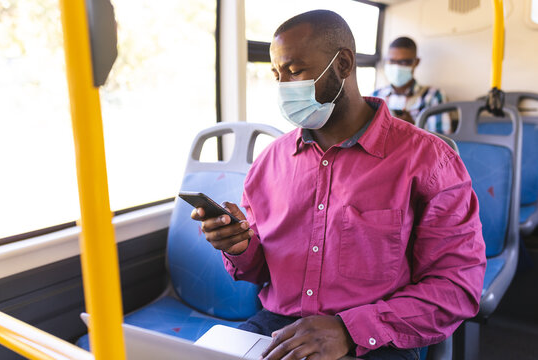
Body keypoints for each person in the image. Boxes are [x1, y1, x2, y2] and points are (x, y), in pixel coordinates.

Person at [192, 10, 485, 360]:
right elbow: (260, 270)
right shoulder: (270, 163)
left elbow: (457, 286)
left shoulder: (429, 161)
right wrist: (239, 246)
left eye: (295, 70)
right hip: (278, 326)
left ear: (343, 64)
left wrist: (350, 329)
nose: (283, 86)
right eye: (277, 74)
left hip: (375, 337)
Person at [372, 37, 451, 134]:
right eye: (392, 61)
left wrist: (413, 128)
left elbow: (442, 143)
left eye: (404, 62)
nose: (396, 67)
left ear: (416, 62)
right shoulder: (376, 96)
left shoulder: (433, 96)